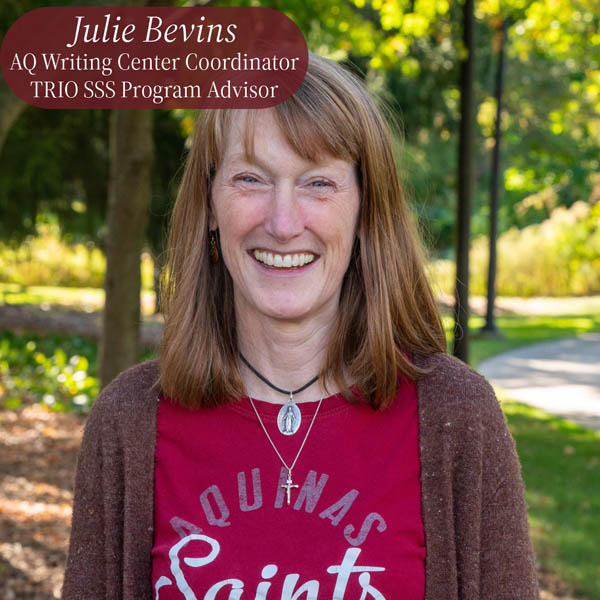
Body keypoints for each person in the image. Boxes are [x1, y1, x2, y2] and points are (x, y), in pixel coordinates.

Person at [62, 53, 539, 600]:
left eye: (317, 183)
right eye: (250, 179)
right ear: (211, 205)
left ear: (365, 209)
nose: (283, 222)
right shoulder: (130, 422)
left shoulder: (456, 417)